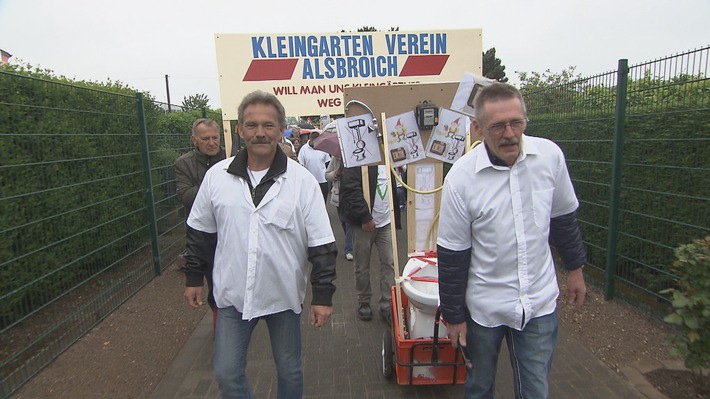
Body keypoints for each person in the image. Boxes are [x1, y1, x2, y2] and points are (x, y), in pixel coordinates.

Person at [182, 90, 337, 399]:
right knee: (226, 374)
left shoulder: (301, 181)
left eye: (268, 125)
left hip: (282, 294)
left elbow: (322, 243)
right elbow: (200, 231)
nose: (260, 133)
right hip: (233, 296)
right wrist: (193, 277)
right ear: (240, 130)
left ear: (280, 130)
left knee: (289, 370)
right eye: (251, 125)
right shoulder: (217, 177)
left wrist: (323, 295)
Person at [437, 83, 587, 399]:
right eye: (498, 126)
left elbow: (562, 218)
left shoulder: (550, 158)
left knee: (535, 390)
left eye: (516, 122)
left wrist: (575, 268)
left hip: (538, 302)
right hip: (484, 308)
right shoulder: (461, 180)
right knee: (478, 388)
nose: (509, 133)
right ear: (477, 128)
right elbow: (452, 254)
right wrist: (454, 316)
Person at [174, 118, 226, 313]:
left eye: (215, 138)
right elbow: (186, 197)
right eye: (205, 138)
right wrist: (215, 181)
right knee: (213, 281)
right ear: (194, 140)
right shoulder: (183, 164)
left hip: (230, 229)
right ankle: (220, 324)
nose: (212, 143)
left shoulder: (232, 158)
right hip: (203, 235)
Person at [339, 164, 400, 322]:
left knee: (389, 262)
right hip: (363, 225)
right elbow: (350, 189)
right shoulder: (356, 157)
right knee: (362, 265)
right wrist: (365, 217)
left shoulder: (388, 155)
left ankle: (387, 303)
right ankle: (364, 301)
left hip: (386, 222)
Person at [325, 154, 354, 261]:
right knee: (343, 221)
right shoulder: (335, 159)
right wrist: (335, 174)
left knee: (349, 223)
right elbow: (327, 175)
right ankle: (351, 240)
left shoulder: (353, 158)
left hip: (351, 195)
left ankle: (349, 249)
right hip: (338, 196)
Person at [298, 132, 331, 202]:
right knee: (311, 202)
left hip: (323, 180)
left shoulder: (323, 148)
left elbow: (327, 163)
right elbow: (301, 165)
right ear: (311, 140)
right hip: (310, 181)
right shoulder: (303, 149)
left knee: (323, 201)